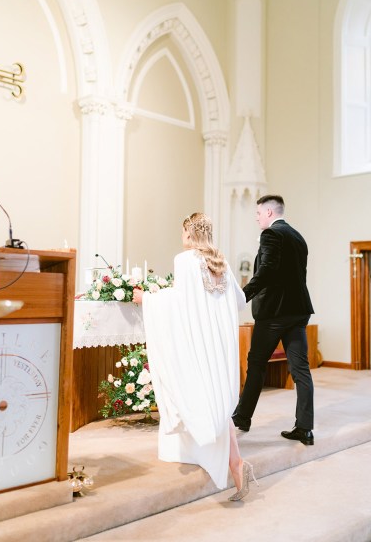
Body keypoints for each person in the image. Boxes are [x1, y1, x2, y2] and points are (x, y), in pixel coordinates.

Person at [133, 212, 257, 501]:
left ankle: (236, 465)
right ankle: (237, 466)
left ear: (189, 234)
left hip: (197, 341)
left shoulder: (185, 260)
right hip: (220, 343)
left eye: (183, 233)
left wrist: (146, 299)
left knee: (198, 395)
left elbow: (179, 302)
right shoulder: (220, 261)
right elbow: (238, 301)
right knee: (218, 402)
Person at [232, 195, 315, 445]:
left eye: (258, 213)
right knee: (301, 370)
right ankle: (305, 428)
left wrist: (241, 297)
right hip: (298, 310)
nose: (256, 217)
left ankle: (242, 418)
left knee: (256, 364)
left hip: (274, 313)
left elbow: (266, 271)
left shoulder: (271, 234)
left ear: (269, 212)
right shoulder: (298, 237)